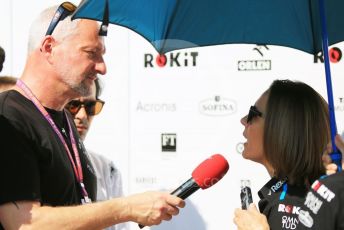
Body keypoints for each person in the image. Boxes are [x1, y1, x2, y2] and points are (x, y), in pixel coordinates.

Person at [0, 3, 184, 230]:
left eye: (102, 55)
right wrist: (125, 208)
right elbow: (24, 225)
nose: (102, 67)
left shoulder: (63, 119)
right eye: (91, 53)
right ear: (49, 47)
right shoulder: (8, 116)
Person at [233, 79, 330, 229]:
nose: (243, 120)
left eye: (253, 113)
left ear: (281, 129)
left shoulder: (291, 204)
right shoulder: (312, 192)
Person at [65, 78, 126, 230]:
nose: (82, 115)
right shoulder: (39, 160)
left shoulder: (107, 168)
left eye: (91, 106)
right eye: (73, 105)